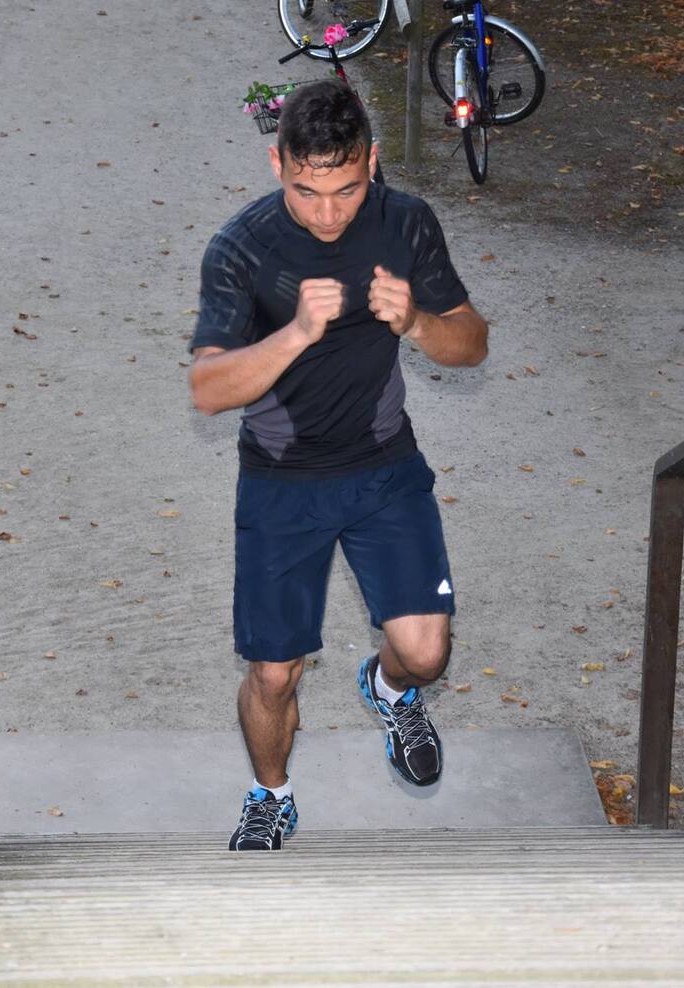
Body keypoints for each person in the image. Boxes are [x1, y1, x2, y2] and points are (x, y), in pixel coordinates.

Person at [189, 79, 488, 851]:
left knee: (426, 654)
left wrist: (417, 321)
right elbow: (208, 389)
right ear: (277, 164)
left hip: (385, 469)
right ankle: (272, 795)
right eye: (306, 191)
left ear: (372, 163)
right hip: (281, 485)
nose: (328, 213)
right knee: (273, 675)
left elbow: (471, 342)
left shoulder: (405, 221)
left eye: (347, 190)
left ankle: (388, 690)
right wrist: (293, 333)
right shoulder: (242, 247)